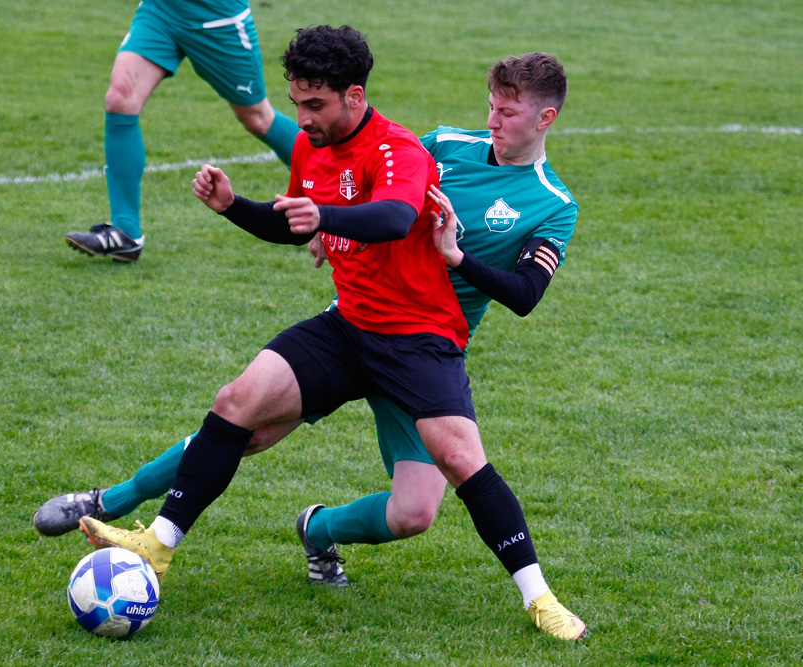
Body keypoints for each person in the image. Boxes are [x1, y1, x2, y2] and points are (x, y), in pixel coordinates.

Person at [42, 29, 585, 641]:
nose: (493, 120)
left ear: (545, 117)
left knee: (418, 509)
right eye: (490, 104)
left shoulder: (551, 203)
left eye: (508, 112)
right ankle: (115, 505)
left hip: (426, 343)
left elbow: (523, 295)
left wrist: (455, 258)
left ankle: (323, 532)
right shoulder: (444, 146)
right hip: (356, 318)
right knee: (242, 414)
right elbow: (374, 190)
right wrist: (330, 227)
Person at [64, 0, 300, 262]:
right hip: (162, 10)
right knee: (121, 98)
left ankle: (332, 183)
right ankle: (125, 233)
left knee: (257, 118)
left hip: (216, 16)